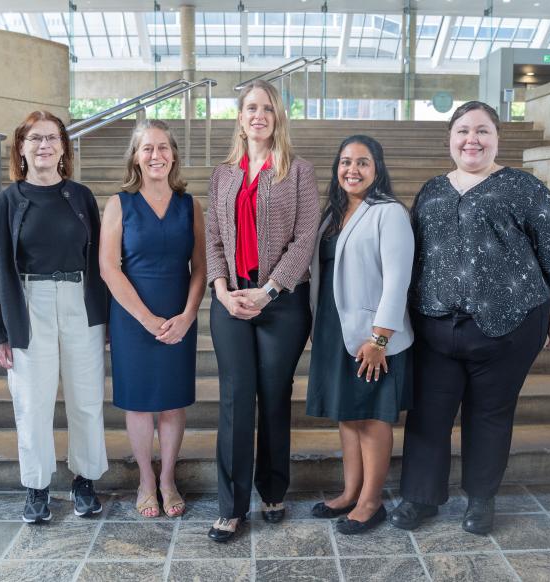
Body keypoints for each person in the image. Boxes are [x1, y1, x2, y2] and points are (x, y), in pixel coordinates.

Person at [390, 101, 550, 535]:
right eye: (462, 131)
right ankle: (420, 498)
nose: (471, 139)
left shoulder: (524, 188)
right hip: (436, 322)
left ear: (497, 139)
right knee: (428, 413)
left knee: (490, 413)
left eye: (482, 131)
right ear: (450, 140)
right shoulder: (433, 189)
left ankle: (480, 500)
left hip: (509, 323)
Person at [205, 80, 320, 542]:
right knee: (235, 397)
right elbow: (212, 238)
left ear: (278, 117)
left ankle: (273, 489)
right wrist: (221, 290)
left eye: (268, 108)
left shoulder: (298, 172)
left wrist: (268, 292)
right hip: (230, 300)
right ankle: (231, 507)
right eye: (251, 107)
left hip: (282, 301)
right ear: (240, 116)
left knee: (274, 395)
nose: (259, 115)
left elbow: (305, 238)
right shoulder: (222, 175)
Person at [0, 110, 108, 523]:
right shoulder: (7, 201)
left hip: (80, 302)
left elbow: (101, 262)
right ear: (21, 147)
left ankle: (84, 481)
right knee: (32, 404)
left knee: (86, 400)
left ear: (63, 147)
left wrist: (105, 317)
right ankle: (37, 487)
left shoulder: (81, 197)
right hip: (29, 303)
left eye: (51, 138)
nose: (43, 145)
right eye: (34, 138)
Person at [306, 135, 414, 535]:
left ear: (377, 168)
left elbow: (397, 281)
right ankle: (350, 492)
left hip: (373, 337)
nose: (352, 169)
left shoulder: (388, 213)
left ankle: (372, 501)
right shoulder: (332, 215)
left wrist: (380, 340)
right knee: (347, 416)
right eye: (346, 161)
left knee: (371, 418)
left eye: (363, 162)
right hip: (335, 328)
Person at [100, 120, 206, 518]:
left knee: (173, 405)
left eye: (163, 148)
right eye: (147, 149)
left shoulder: (189, 204)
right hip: (133, 316)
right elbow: (109, 269)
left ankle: (168, 479)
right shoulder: (119, 204)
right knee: (141, 404)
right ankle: (146, 479)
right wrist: (146, 320)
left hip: (180, 313)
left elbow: (200, 267)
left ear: (174, 155)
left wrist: (188, 315)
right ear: (135, 157)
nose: (156, 155)